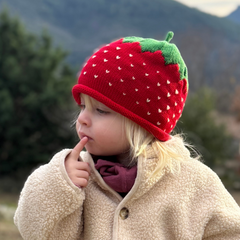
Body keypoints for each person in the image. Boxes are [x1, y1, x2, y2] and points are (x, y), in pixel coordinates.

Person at [14, 32, 240, 240]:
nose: (82, 118)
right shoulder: (76, 177)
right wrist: (58, 184)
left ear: (142, 124)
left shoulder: (195, 183)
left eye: (101, 110)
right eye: (82, 106)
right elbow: (33, 230)